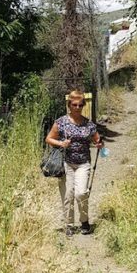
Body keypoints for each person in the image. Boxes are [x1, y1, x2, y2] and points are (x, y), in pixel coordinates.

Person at [46, 89, 103, 235]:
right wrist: (61, 144)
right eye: (74, 105)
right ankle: (69, 224)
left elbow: (97, 139)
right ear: (69, 105)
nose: (77, 108)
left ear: (83, 105)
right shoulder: (61, 122)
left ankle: (84, 221)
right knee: (67, 195)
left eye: (80, 105)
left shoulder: (88, 124)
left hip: (83, 163)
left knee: (81, 193)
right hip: (67, 163)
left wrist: (99, 144)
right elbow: (49, 139)